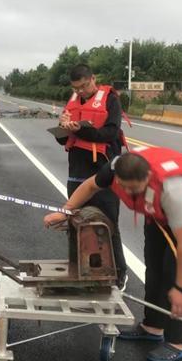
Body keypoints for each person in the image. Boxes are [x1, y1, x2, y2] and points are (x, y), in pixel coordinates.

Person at [43, 145, 182, 361]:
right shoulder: (116, 167)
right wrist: (64, 211)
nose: (131, 194)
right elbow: (89, 186)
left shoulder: (172, 191)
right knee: (153, 267)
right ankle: (153, 327)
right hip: (156, 210)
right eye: (126, 188)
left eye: (136, 189)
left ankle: (176, 342)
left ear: (148, 178)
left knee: (173, 273)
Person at [55, 64, 127, 288]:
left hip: (104, 175)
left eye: (85, 86)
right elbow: (62, 140)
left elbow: (110, 133)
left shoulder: (110, 100)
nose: (82, 91)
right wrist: (63, 127)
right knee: (75, 222)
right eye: (77, 89)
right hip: (76, 174)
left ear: (93, 78)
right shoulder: (73, 102)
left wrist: (80, 129)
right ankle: (80, 270)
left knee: (108, 225)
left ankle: (117, 275)